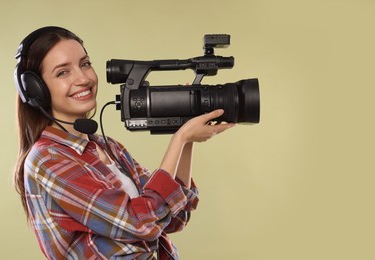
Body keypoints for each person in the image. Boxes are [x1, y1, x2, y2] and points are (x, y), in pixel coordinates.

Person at [13, 26, 234, 260]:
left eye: (85, 64)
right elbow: (141, 223)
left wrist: (187, 135)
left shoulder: (109, 147)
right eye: (63, 73)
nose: (83, 78)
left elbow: (174, 217)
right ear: (36, 89)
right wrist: (180, 140)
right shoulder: (48, 159)